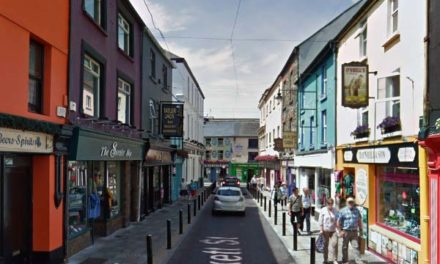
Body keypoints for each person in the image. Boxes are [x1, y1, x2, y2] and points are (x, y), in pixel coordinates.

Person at [337, 196, 365, 264]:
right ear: (346, 203)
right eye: (349, 202)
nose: (350, 203)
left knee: (356, 247)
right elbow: (338, 222)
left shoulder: (356, 210)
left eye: (352, 202)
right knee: (345, 247)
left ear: (353, 203)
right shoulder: (342, 211)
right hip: (345, 231)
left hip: (354, 231)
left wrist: (361, 230)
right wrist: (340, 231)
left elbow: (359, 221)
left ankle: (358, 261)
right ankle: (345, 260)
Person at [318, 198, 339, 264]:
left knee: (335, 244)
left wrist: (339, 229)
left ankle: (335, 259)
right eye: (329, 204)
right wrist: (321, 230)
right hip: (325, 230)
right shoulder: (323, 210)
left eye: (331, 204)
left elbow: (337, 220)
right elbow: (320, 220)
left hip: (333, 230)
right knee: (325, 245)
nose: (330, 205)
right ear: (326, 204)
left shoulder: (335, 210)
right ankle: (325, 259)